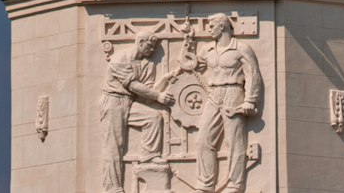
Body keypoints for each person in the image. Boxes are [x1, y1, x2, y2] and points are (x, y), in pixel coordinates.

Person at [188, 13, 262, 193]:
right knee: (203, 140)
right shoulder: (207, 50)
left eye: (211, 26)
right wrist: (188, 44)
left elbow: (253, 74)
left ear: (222, 26)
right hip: (214, 94)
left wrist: (249, 100)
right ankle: (205, 184)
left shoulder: (241, 48)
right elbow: (193, 64)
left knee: (234, 141)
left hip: (233, 92)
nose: (209, 30)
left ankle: (235, 184)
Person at [99, 33, 173, 193]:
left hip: (131, 102)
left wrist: (167, 80)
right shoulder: (120, 58)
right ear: (140, 42)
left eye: (154, 47)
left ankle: (149, 156)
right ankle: (113, 188)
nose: (152, 50)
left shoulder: (148, 64)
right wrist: (159, 97)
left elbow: (147, 93)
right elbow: (134, 86)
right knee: (114, 145)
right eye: (150, 46)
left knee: (153, 117)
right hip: (113, 101)